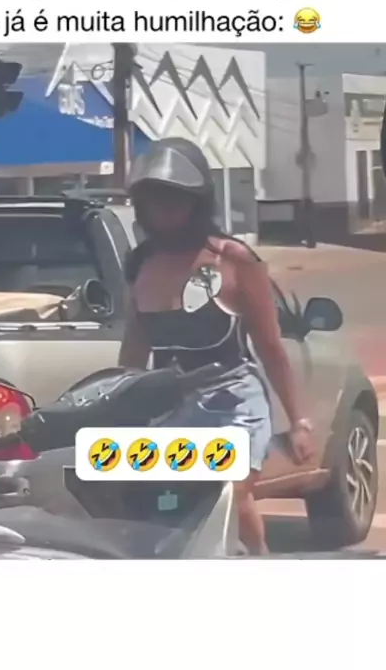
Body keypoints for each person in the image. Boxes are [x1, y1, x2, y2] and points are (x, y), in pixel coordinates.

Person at [119, 137, 315, 555]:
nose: (163, 210)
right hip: (174, 407)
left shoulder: (234, 259)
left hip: (235, 403)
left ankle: (259, 563)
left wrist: (299, 422)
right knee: (154, 506)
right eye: (153, 200)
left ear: (197, 201)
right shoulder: (140, 264)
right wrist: (118, 412)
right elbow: (132, 355)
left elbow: (271, 347)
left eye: (174, 198)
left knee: (229, 493)